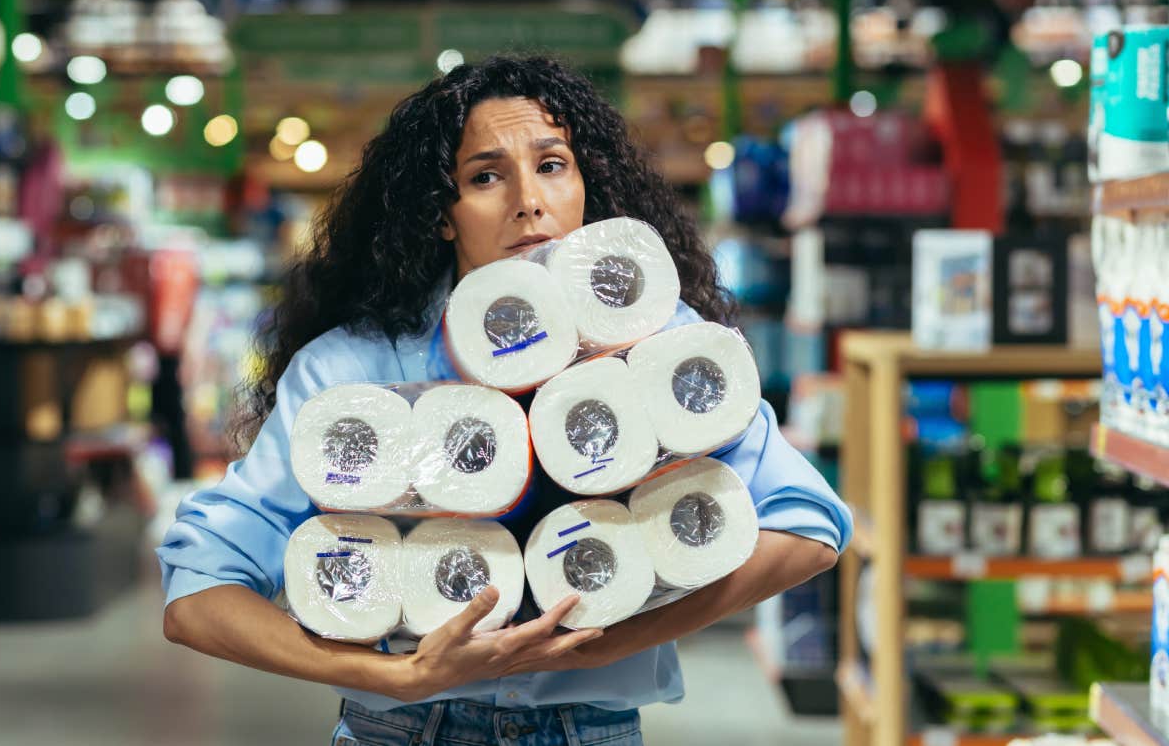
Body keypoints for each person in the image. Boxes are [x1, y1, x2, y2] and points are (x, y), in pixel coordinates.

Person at [158, 55, 853, 746]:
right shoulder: (354, 372)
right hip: (400, 730)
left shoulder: (661, 349)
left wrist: (612, 641)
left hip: (590, 729)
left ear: (586, 186)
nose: (528, 199)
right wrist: (395, 677)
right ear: (441, 215)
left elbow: (810, 528)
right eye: (484, 175)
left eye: (552, 164)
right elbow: (196, 594)